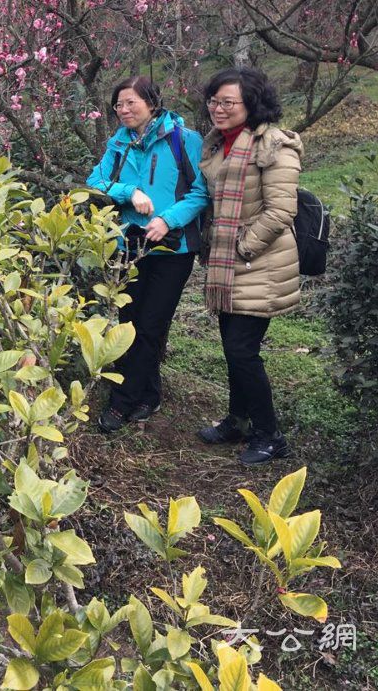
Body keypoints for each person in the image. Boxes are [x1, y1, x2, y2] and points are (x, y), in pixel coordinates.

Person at [87, 76, 210, 432]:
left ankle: (121, 403)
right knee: (129, 323)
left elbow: (200, 193)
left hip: (172, 250)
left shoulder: (183, 140)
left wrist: (167, 221)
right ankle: (148, 395)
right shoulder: (119, 143)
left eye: (131, 103)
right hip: (129, 245)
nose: (123, 111)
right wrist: (129, 192)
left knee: (151, 326)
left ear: (151, 103)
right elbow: (95, 182)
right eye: (118, 105)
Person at [195, 67, 301, 465]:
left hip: (260, 264)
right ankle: (238, 421)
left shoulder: (274, 145)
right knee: (234, 348)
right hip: (229, 267)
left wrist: (241, 248)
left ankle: (269, 434)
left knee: (242, 351)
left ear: (251, 104)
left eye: (228, 102)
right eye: (213, 101)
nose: (218, 109)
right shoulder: (217, 144)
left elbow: (280, 211)